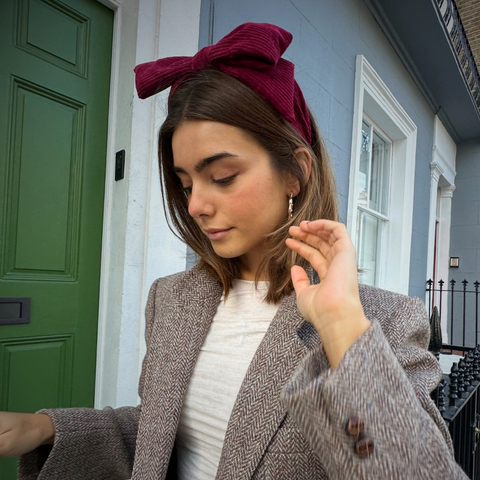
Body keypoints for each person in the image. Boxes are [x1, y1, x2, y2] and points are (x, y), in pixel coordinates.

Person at [0, 22, 467, 480]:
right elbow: (158, 434)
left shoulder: (382, 323)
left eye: (222, 176)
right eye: (184, 184)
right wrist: (42, 427)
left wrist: (341, 326)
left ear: (295, 173)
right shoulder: (171, 299)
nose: (197, 205)